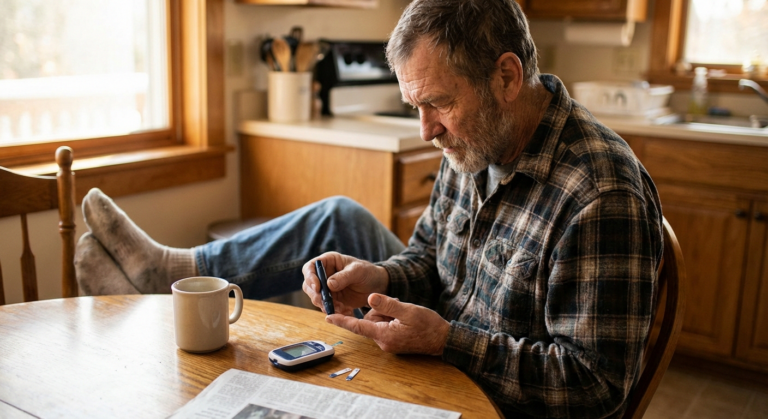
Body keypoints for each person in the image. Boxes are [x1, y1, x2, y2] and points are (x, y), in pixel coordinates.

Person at [76, 0, 662, 417]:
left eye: (437, 103)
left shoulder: (599, 193)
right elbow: (433, 257)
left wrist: (444, 341)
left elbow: (596, 387)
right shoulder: (476, 141)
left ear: (507, 76)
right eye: (414, 105)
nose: (427, 129)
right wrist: (381, 276)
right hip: (439, 380)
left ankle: (168, 273)